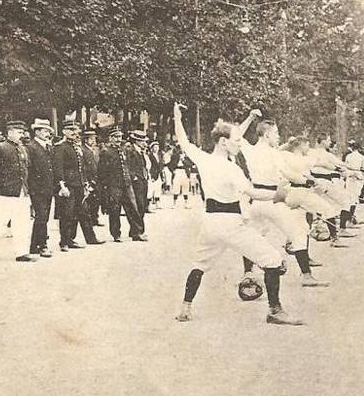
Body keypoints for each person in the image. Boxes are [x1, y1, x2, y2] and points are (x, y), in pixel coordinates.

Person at [171, 103, 303, 326]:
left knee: (199, 264)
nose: (239, 143)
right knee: (272, 261)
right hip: (230, 223)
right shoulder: (231, 168)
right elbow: (252, 192)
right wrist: (277, 195)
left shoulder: (203, 158)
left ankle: (185, 308)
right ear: (224, 143)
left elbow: (183, 140)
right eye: (235, 141)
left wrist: (177, 118)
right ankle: (275, 311)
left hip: (210, 223)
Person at [234, 110, 328, 289]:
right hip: (273, 201)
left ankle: (248, 273)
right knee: (299, 234)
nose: (278, 137)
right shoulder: (274, 154)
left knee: (252, 235)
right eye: (276, 133)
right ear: (267, 134)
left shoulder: (251, 150)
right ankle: (306, 275)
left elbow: (237, 134)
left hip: (255, 202)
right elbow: (290, 174)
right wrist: (311, 181)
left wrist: (250, 117)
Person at [0, 120, 35, 262]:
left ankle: (22, 252)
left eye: (22, 132)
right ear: (10, 132)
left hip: (22, 191)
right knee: (0, 221)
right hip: (4, 193)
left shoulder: (23, 149)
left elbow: (26, 170)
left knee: (22, 223)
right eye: (18, 132)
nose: (21, 134)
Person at [53, 121, 104, 251]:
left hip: (79, 184)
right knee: (67, 214)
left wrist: (85, 183)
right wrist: (61, 185)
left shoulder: (77, 147)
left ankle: (89, 238)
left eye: (76, 131)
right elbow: (58, 168)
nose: (75, 133)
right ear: (64, 131)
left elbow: (82, 168)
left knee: (84, 212)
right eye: (71, 130)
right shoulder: (60, 147)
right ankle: (65, 241)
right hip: (68, 185)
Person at [98, 128, 146, 243]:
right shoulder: (106, 152)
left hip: (127, 183)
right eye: (116, 137)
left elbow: (129, 164)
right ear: (111, 138)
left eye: (120, 137)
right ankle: (116, 234)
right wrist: (106, 185)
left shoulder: (124, 150)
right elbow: (102, 171)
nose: (119, 140)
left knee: (133, 208)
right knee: (115, 209)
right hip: (114, 185)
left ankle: (136, 232)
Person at [25, 119, 56, 256]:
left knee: (44, 216)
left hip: (47, 187)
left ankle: (34, 245)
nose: (47, 134)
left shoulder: (48, 147)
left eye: (48, 131)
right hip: (37, 188)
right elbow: (29, 170)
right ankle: (42, 245)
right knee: (41, 216)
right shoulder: (31, 147)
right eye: (45, 131)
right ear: (37, 132)